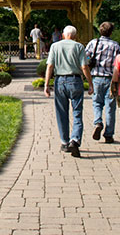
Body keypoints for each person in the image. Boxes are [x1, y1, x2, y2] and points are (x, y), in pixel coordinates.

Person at [44, 25, 94, 158]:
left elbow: (50, 66)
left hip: (60, 81)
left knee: (62, 112)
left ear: (63, 35)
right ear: (75, 36)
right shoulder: (79, 47)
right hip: (75, 80)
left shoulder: (55, 46)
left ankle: (64, 142)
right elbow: (84, 66)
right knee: (77, 112)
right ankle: (75, 139)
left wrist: (46, 85)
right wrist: (90, 84)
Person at [85, 22, 120, 144]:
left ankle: (98, 122)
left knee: (97, 103)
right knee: (110, 107)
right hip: (111, 79)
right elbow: (119, 63)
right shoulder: (116, 46)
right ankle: (109, 134)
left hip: (97, 77)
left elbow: (85, 58)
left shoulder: (93, 43)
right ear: (111, 32)